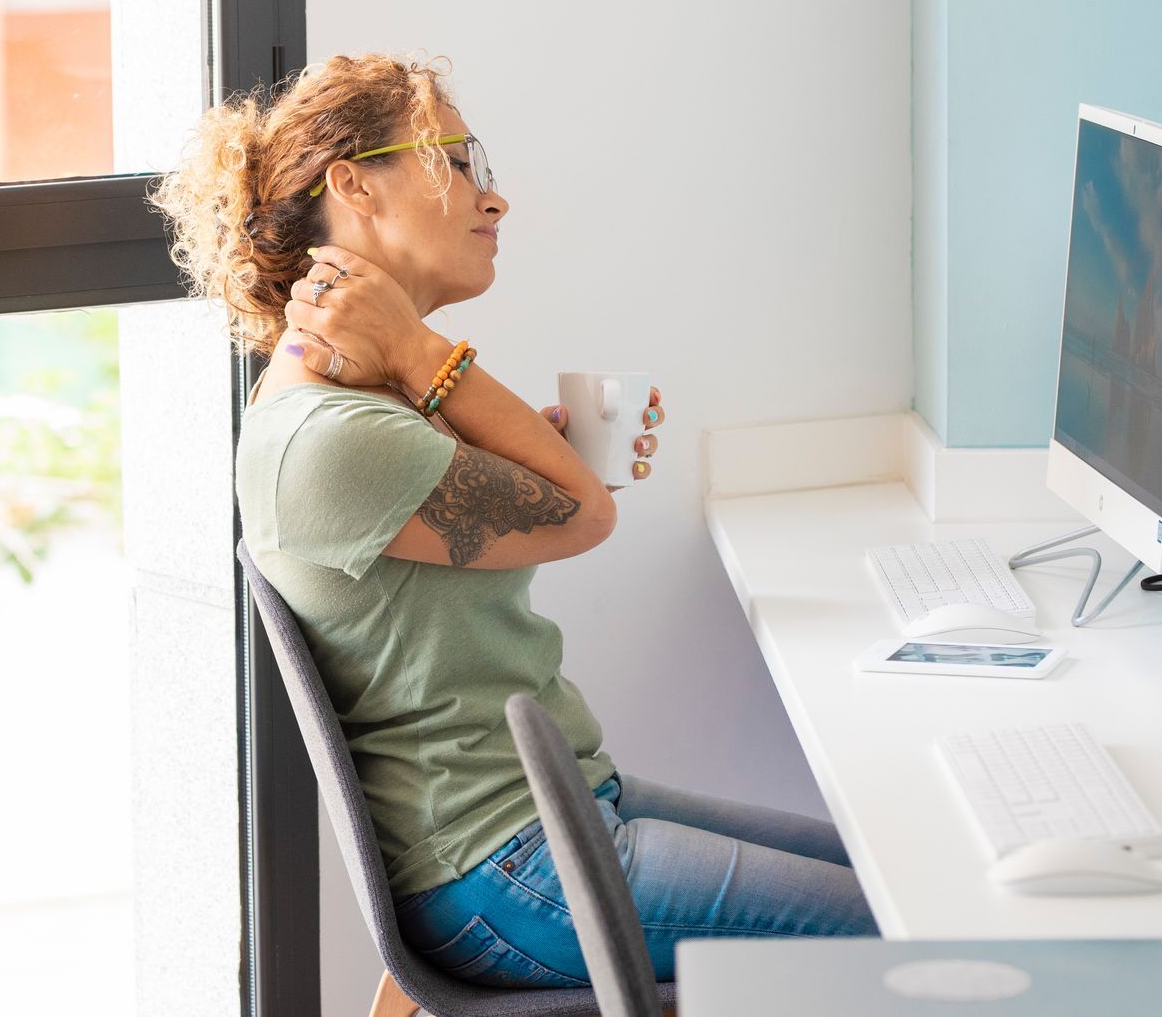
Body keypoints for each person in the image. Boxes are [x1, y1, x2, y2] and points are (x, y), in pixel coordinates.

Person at [151, 53, 876, 987]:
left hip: (558, 812)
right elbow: (584, 517)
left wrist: (525, 442)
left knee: (908, 884)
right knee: (921, 932)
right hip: (504, 866)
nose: (493, 201)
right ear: (354, 185)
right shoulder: (333, 434)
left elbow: (548, 506)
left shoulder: (364, 403)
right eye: (455, 160)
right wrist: (423, 349)